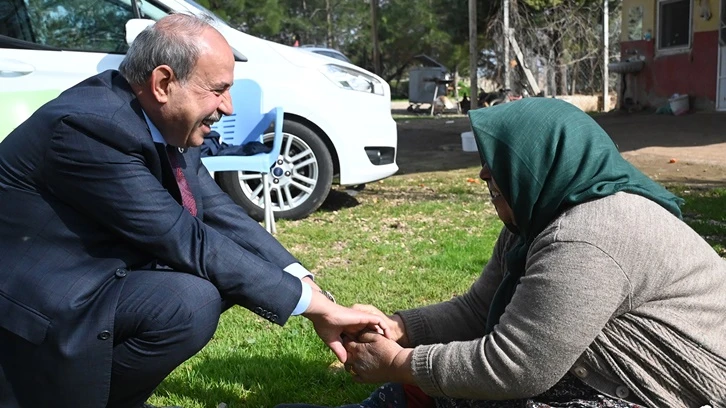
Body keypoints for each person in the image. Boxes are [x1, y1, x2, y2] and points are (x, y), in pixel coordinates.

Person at [0, 13, 387, 408]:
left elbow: (220, 213)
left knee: (205, 288)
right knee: (190, 300)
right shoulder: (91, 129)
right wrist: (315, 310)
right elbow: (186, 239)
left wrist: (306, 284)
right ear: (164, 83)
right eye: (218, 90)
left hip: (86, 271)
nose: (229, 107)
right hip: (32, 305)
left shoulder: (156, 119)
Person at [276, 98, 726, 408]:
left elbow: (518, 365)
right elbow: (479, 308)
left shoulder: (589, 236)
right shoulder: (536, 217)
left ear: (542, 161)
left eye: (500, 165)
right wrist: (400, 327)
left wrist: (400, 363)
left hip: (673, 387)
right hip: (606, 369)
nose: (485, 173)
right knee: (458, 373)